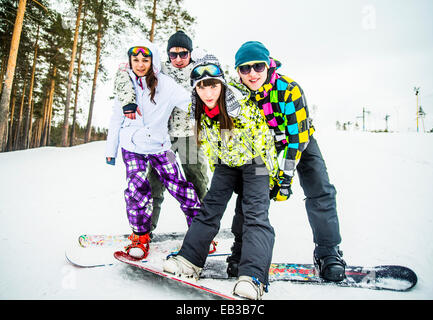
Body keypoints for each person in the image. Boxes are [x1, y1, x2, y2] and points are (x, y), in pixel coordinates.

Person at [162, 54, 278, 300]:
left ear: (222, 85)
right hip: (227, 163)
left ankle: (253, 276)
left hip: (257, 162)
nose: (208, 92)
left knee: (254, 214)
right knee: (210, 207)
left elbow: (262, 144)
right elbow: (210, 146)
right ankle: (189, 260)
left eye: (213, 85)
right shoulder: (201, 111)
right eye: (202, 86)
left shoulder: (238, 105)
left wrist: (272, 177)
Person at [229, 41, 346, 282]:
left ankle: (328, 251)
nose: (252, 74)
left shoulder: (288, 89)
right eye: (245, 68)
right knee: (251, 195)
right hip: (263, 146)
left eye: (258, 67)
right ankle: (241, 252)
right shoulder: (236, 93)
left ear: (268, 65)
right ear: (238, 71)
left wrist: (284, 178)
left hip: (298, 140)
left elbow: (297, 140)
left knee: (320, 188)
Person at [105, 39, 201, 260]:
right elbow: (115, 118)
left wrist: (216, 104)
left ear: (153, 60)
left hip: (160, 145)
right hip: (132, 146)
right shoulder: (125, 85)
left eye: (145, 59)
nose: (140, 64)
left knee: (179, 185)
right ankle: (140, 236)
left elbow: (189, 102)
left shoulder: (165, 84)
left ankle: (199, 233)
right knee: (136, 189)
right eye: (136, 59)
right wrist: (111, 148)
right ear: (129, 61)